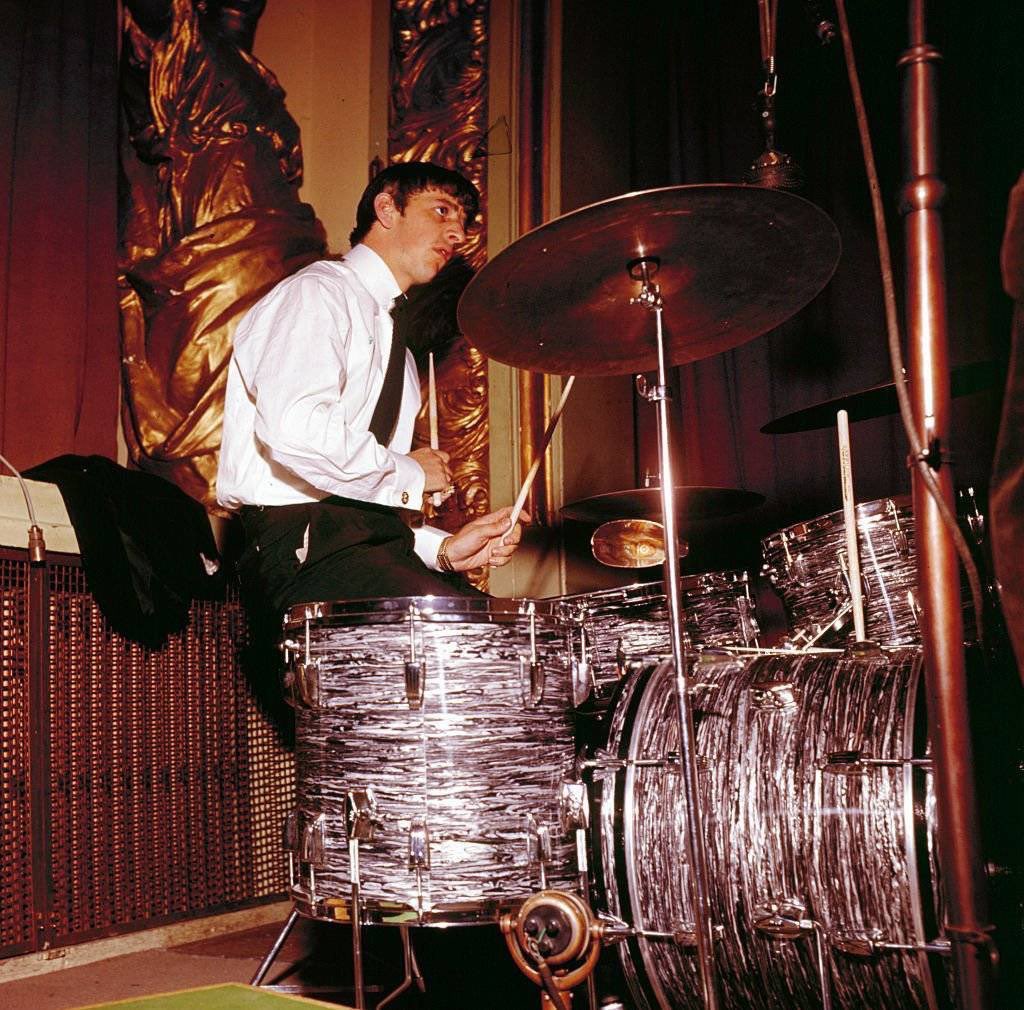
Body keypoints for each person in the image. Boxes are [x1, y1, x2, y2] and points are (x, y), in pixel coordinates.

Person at [216, 162, 527, 616]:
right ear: (386, 208)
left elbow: (363, 503)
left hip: (365, 549)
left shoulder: (400, 354)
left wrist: (443, 551)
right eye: (442, 211)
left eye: (463, 223)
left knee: (512, 632)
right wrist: (410, 474)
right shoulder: (318, 293)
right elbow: (295, 431)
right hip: (298, 549)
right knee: (469, 634)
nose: (457, 233)